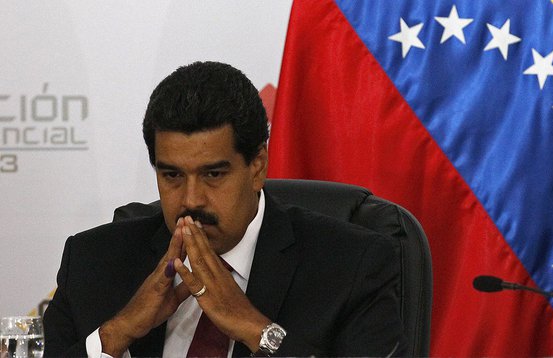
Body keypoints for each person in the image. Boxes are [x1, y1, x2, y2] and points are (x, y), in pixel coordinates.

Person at [43, 61, 408, 357]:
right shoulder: (93, 262)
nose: (191, 199)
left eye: (213, 174)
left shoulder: (352, 266)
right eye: (171, 175)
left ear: (257, 167)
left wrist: (255, 328)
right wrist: (118, 332)